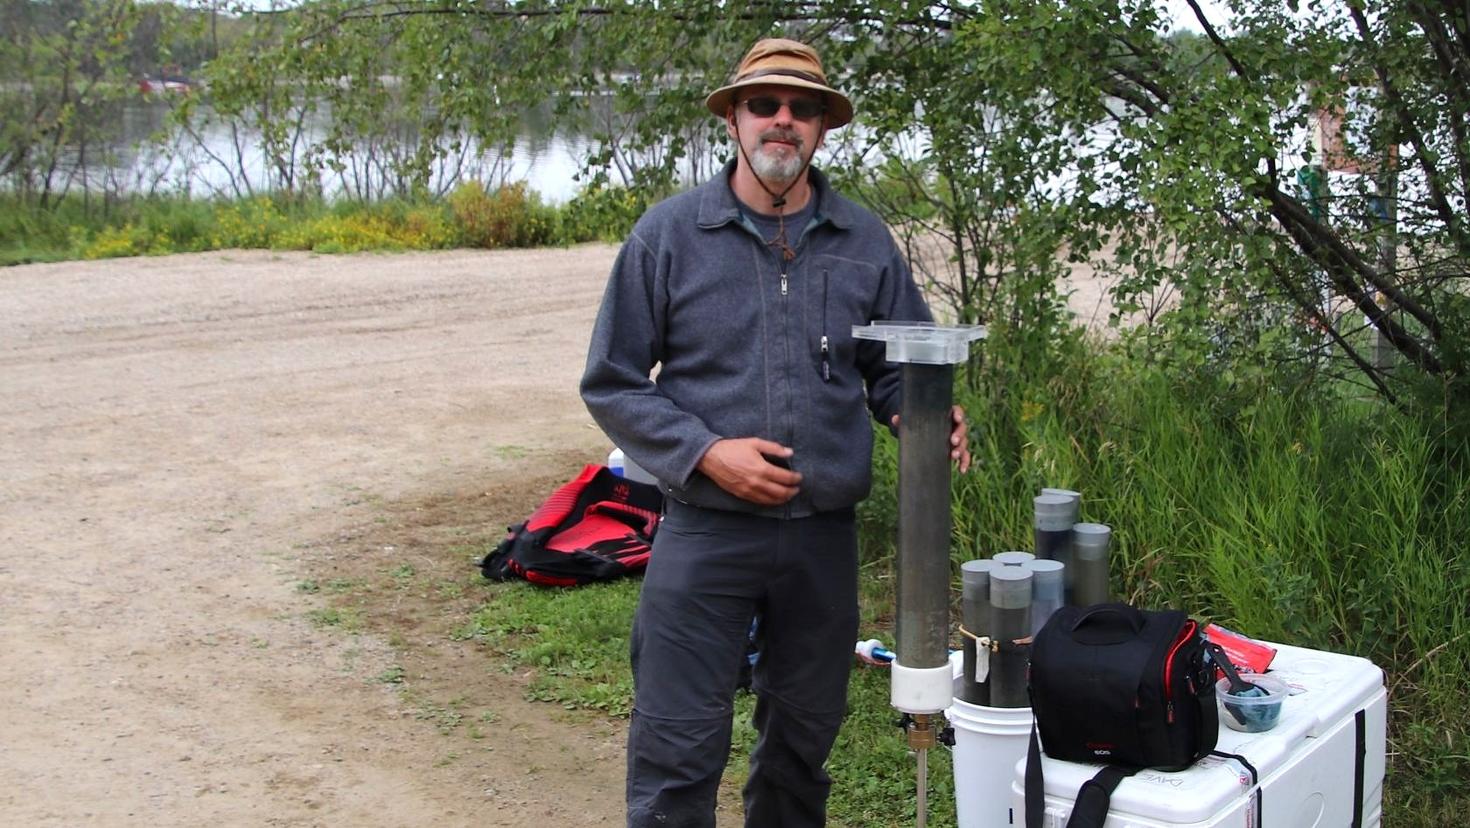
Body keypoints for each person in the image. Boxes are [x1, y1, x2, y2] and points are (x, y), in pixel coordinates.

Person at [580, 37, 969, 828]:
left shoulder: (864, 242)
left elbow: (894, 363)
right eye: (765, 104)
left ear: (824, 127)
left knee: (801, 745)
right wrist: (706, 453)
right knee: (677, 746)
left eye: (803, 108)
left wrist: (918, 411)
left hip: (822, 541)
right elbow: (613, 382)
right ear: (734, 120)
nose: (783, 120)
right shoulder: (669, 236)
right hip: (705, 533)